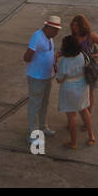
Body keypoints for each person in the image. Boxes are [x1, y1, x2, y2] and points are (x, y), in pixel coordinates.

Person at [23, 14, 61, 142]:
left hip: (46, 76)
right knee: (35, 105)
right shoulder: (37, 37)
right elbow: (27, 57)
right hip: (36, 76)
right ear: (48, 27)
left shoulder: (49, 38)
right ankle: (32, 133)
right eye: (55, 30)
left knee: (44, 103)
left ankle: (42, 126)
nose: (56, 33)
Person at [55, 34, 95, 149]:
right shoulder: (82, 55)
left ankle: (73, 142)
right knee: (84, 110)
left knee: (72, 116)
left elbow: (59, 79)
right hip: (83, 85)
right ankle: (91, 135)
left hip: (69, 88)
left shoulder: (64, 62)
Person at [70, 14, 98, 113]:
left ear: (82, 26)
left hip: (89, 68)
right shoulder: (73, 37)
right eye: (73, 25)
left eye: (77, 25)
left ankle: (88, 114)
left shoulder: (90, 36)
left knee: (89, 92)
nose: (74, 28)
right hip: (77, 67)